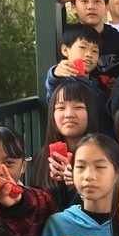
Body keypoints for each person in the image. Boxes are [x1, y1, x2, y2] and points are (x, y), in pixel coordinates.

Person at [32, 81, 98, 211]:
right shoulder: (41, 157)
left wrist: (78, 181)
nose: (69, 114)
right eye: (61, 108)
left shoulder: (102, 154)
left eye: (78, 107)